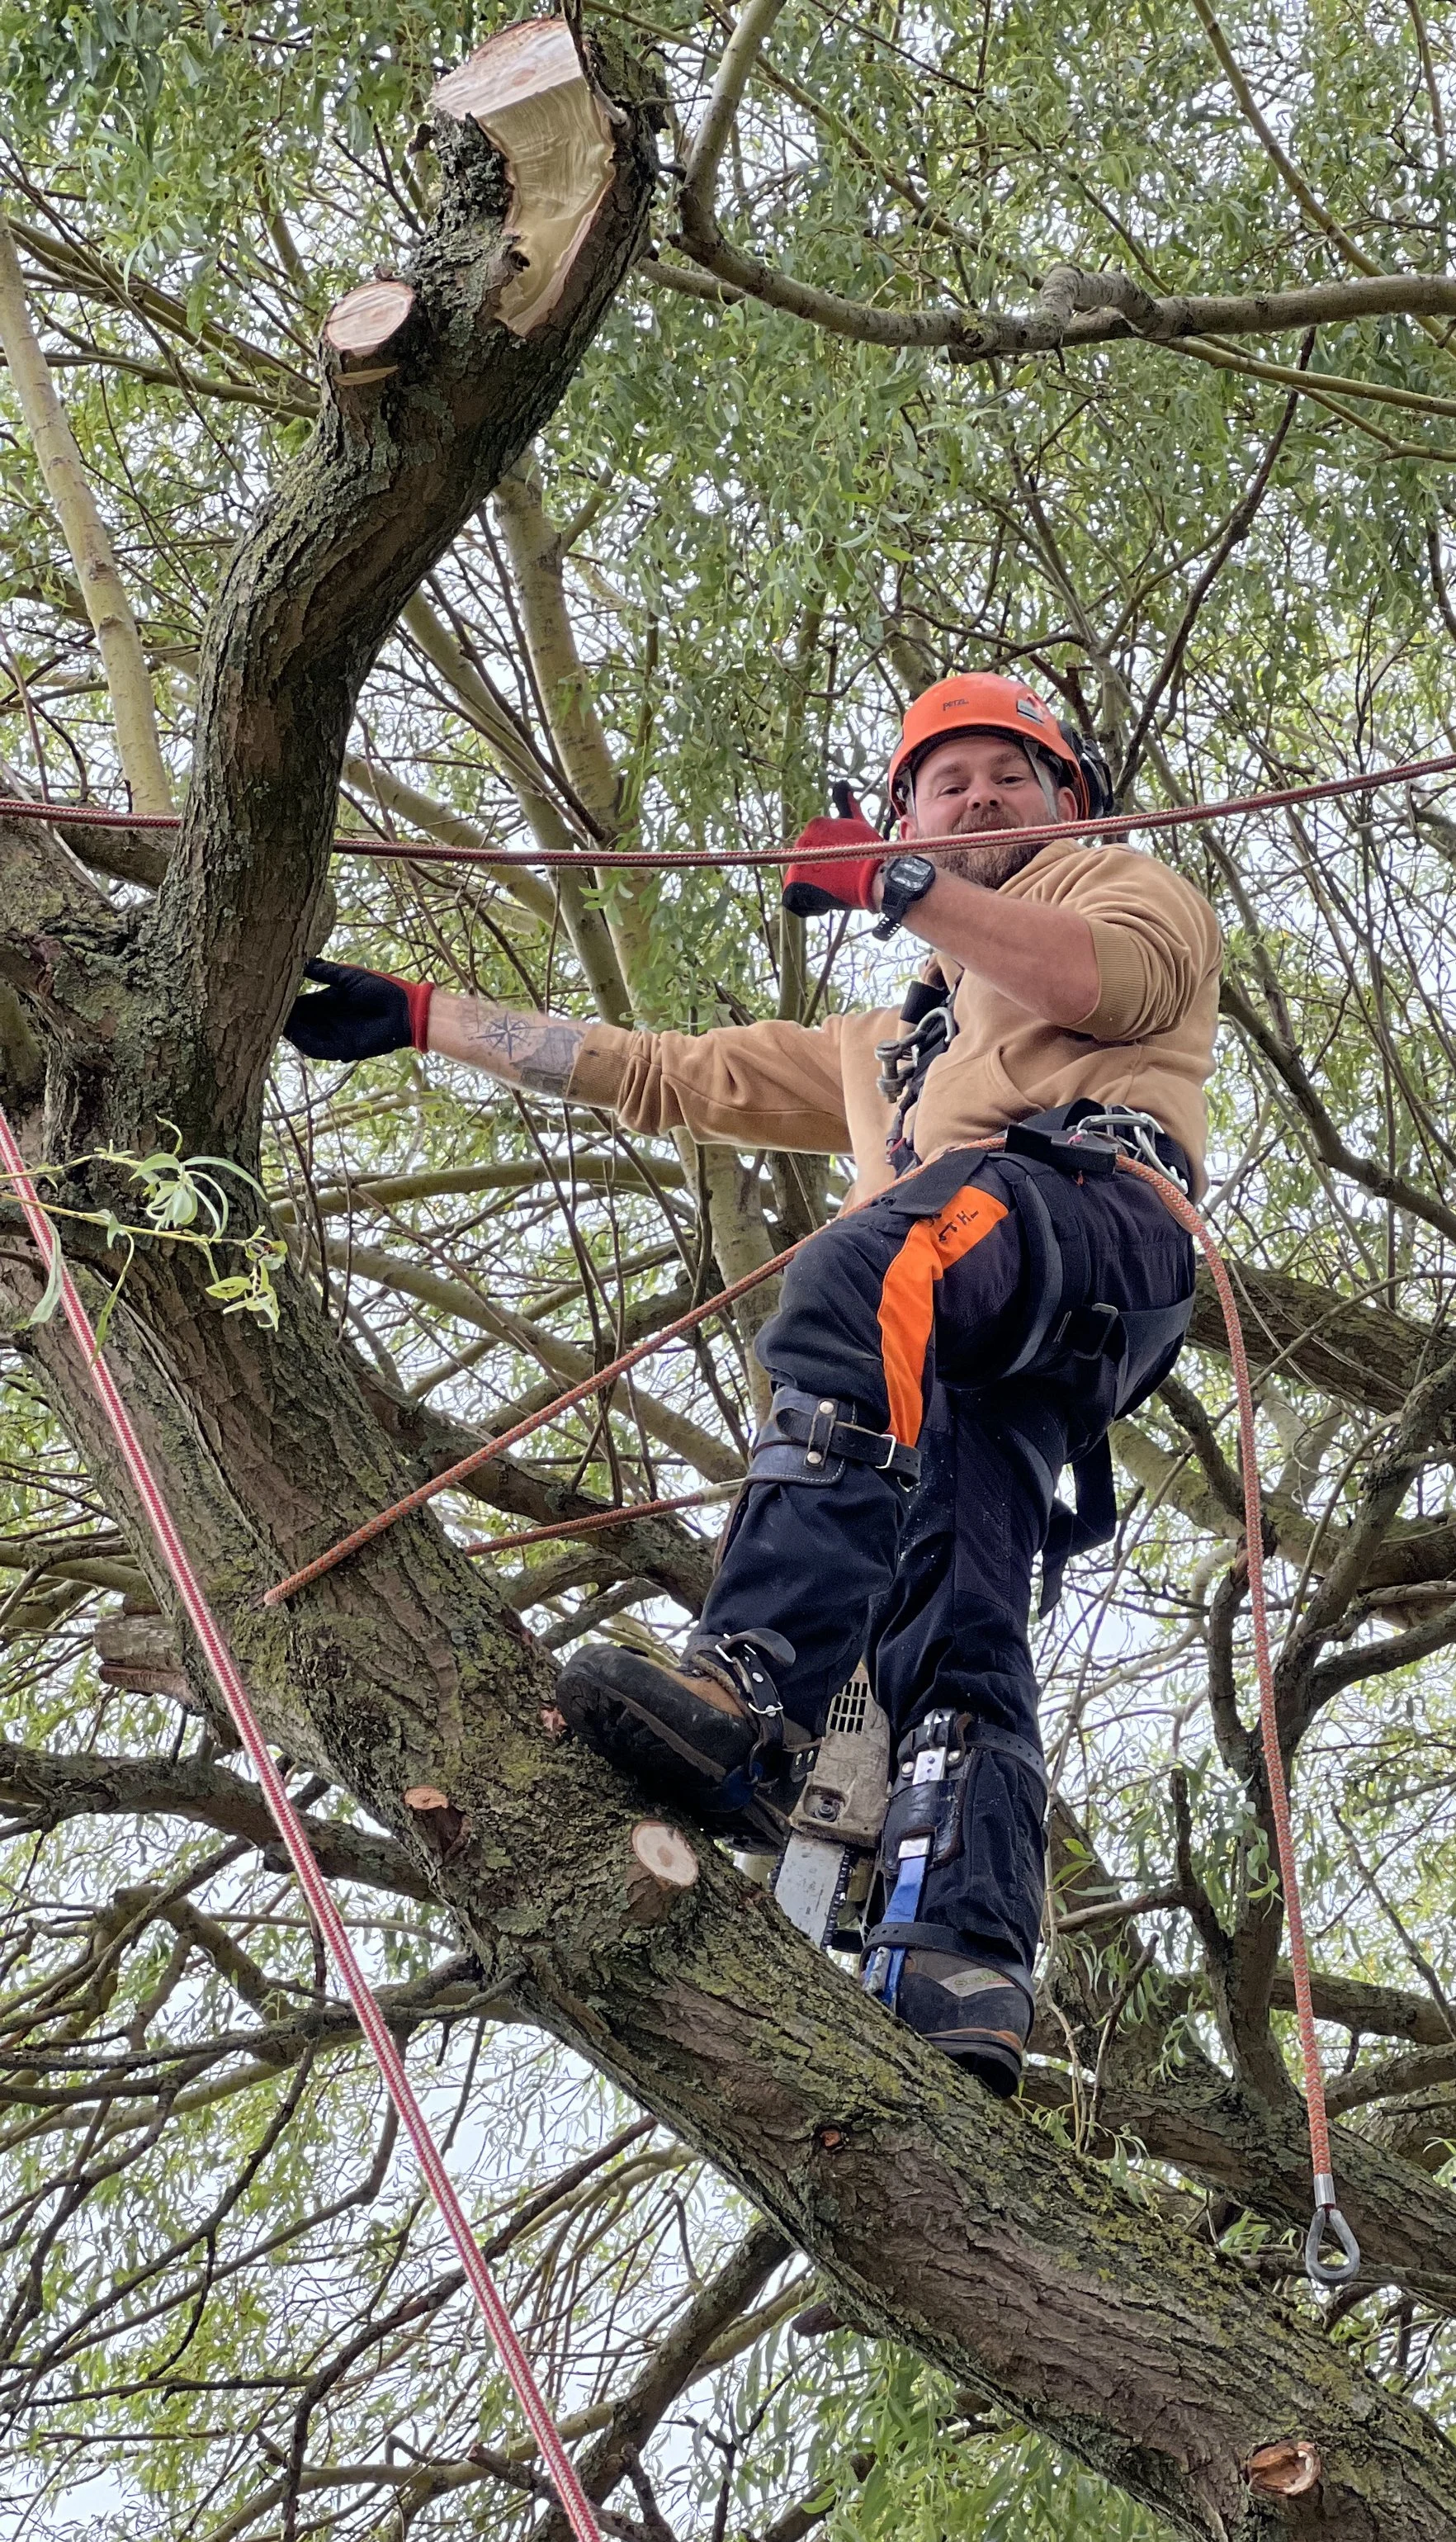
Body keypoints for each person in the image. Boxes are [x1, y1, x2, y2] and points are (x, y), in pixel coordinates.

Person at [283, 674, 1220, 2095]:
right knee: (949, 1630)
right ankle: (957, 1966)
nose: (978, 797)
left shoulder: (1123, 883)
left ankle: (751, 1687)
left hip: (1088, 1222)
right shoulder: (882, 1042)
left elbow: (1102, 982)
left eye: (1007, 776)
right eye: (944, 782)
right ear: (906, 807)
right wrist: (428, 1013)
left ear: (1068, 800)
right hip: (977, 1336)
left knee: (858, 1267)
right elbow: (665, 1073)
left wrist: (900, 885)